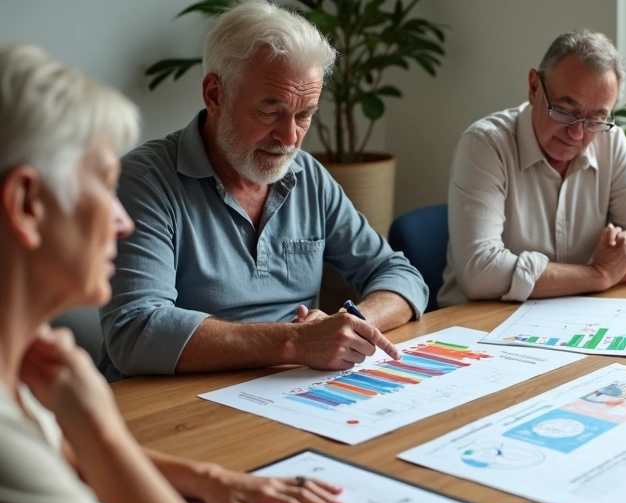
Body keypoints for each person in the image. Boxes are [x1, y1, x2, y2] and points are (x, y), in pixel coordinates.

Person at [0, 44, 345, 503]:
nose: (121, 219)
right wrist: (102, 426)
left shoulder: (24, 374)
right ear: (28, 205)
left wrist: (210, 479)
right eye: (103, 187)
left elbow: (58, 458)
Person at [100, 0, 428, 381]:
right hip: (174, 405)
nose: (290, 138)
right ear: (215, 95)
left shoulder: (308, 176)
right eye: (270, 112)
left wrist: (352, 326)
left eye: (304, 114)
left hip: (286, 394)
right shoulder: (144, 182)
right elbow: (135, 332)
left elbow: (399, 274)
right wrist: (295, 342)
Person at [440, 29, 626, 307]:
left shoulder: (609, 141)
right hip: (474, 327)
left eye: (595, 119)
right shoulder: (485, 144)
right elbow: (480, 273)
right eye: (565, 111)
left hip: (568, 320)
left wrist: (604, 272)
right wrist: (598, 274)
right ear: (534, 87)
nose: (577, 133)